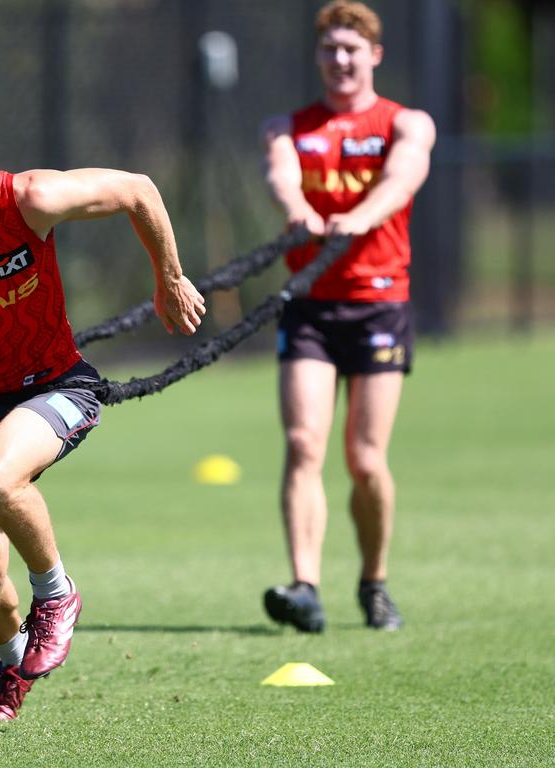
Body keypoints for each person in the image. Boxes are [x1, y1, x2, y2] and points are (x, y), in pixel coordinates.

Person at [0, 114, 206, 720]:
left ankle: (57, 593)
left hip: (55, 384)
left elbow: (139, 190)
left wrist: (169, 278)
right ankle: (15, 662)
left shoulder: (30, 199)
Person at [259, 1, 436, 633]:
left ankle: (374, 580)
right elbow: (281, 174)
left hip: (378, 303)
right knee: (305, 442)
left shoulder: (406, 122)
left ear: (374, 56)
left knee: (364, 458)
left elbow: (403, 177)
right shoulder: (289, 126)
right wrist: (298, 205)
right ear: (318, 56)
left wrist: (364, 214)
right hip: (310, 304)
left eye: (351, 50)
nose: (340, 60)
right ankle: (305, 586)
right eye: (330, 49)